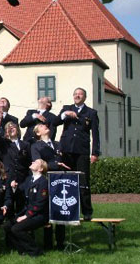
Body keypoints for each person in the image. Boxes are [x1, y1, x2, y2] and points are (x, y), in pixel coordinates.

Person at [55, 87, 100, 221]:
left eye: (80, 94)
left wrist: (95, 152)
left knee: (83, 181)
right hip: (66, 150)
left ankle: (87, 211)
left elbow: (96, 134)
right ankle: (67, 210)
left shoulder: (91, 113)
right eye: (75, 94)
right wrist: (65, 114)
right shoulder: (66, 108)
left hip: (82, 151)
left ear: (84, 97)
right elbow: (55, 122)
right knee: (65, 181)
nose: (77, 96)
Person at [4, 159, 49, 257]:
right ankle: (22, 249)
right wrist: (14, 187)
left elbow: (40, 204)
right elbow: (20, 190)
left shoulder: (43, 182)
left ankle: (35, 251)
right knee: (7, 226)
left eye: (36, 162)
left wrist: (26, 216)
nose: (32, 162)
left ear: (41, 168)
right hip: (28, 212)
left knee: (16, 229)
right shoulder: (29, 179)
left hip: (39, 215)